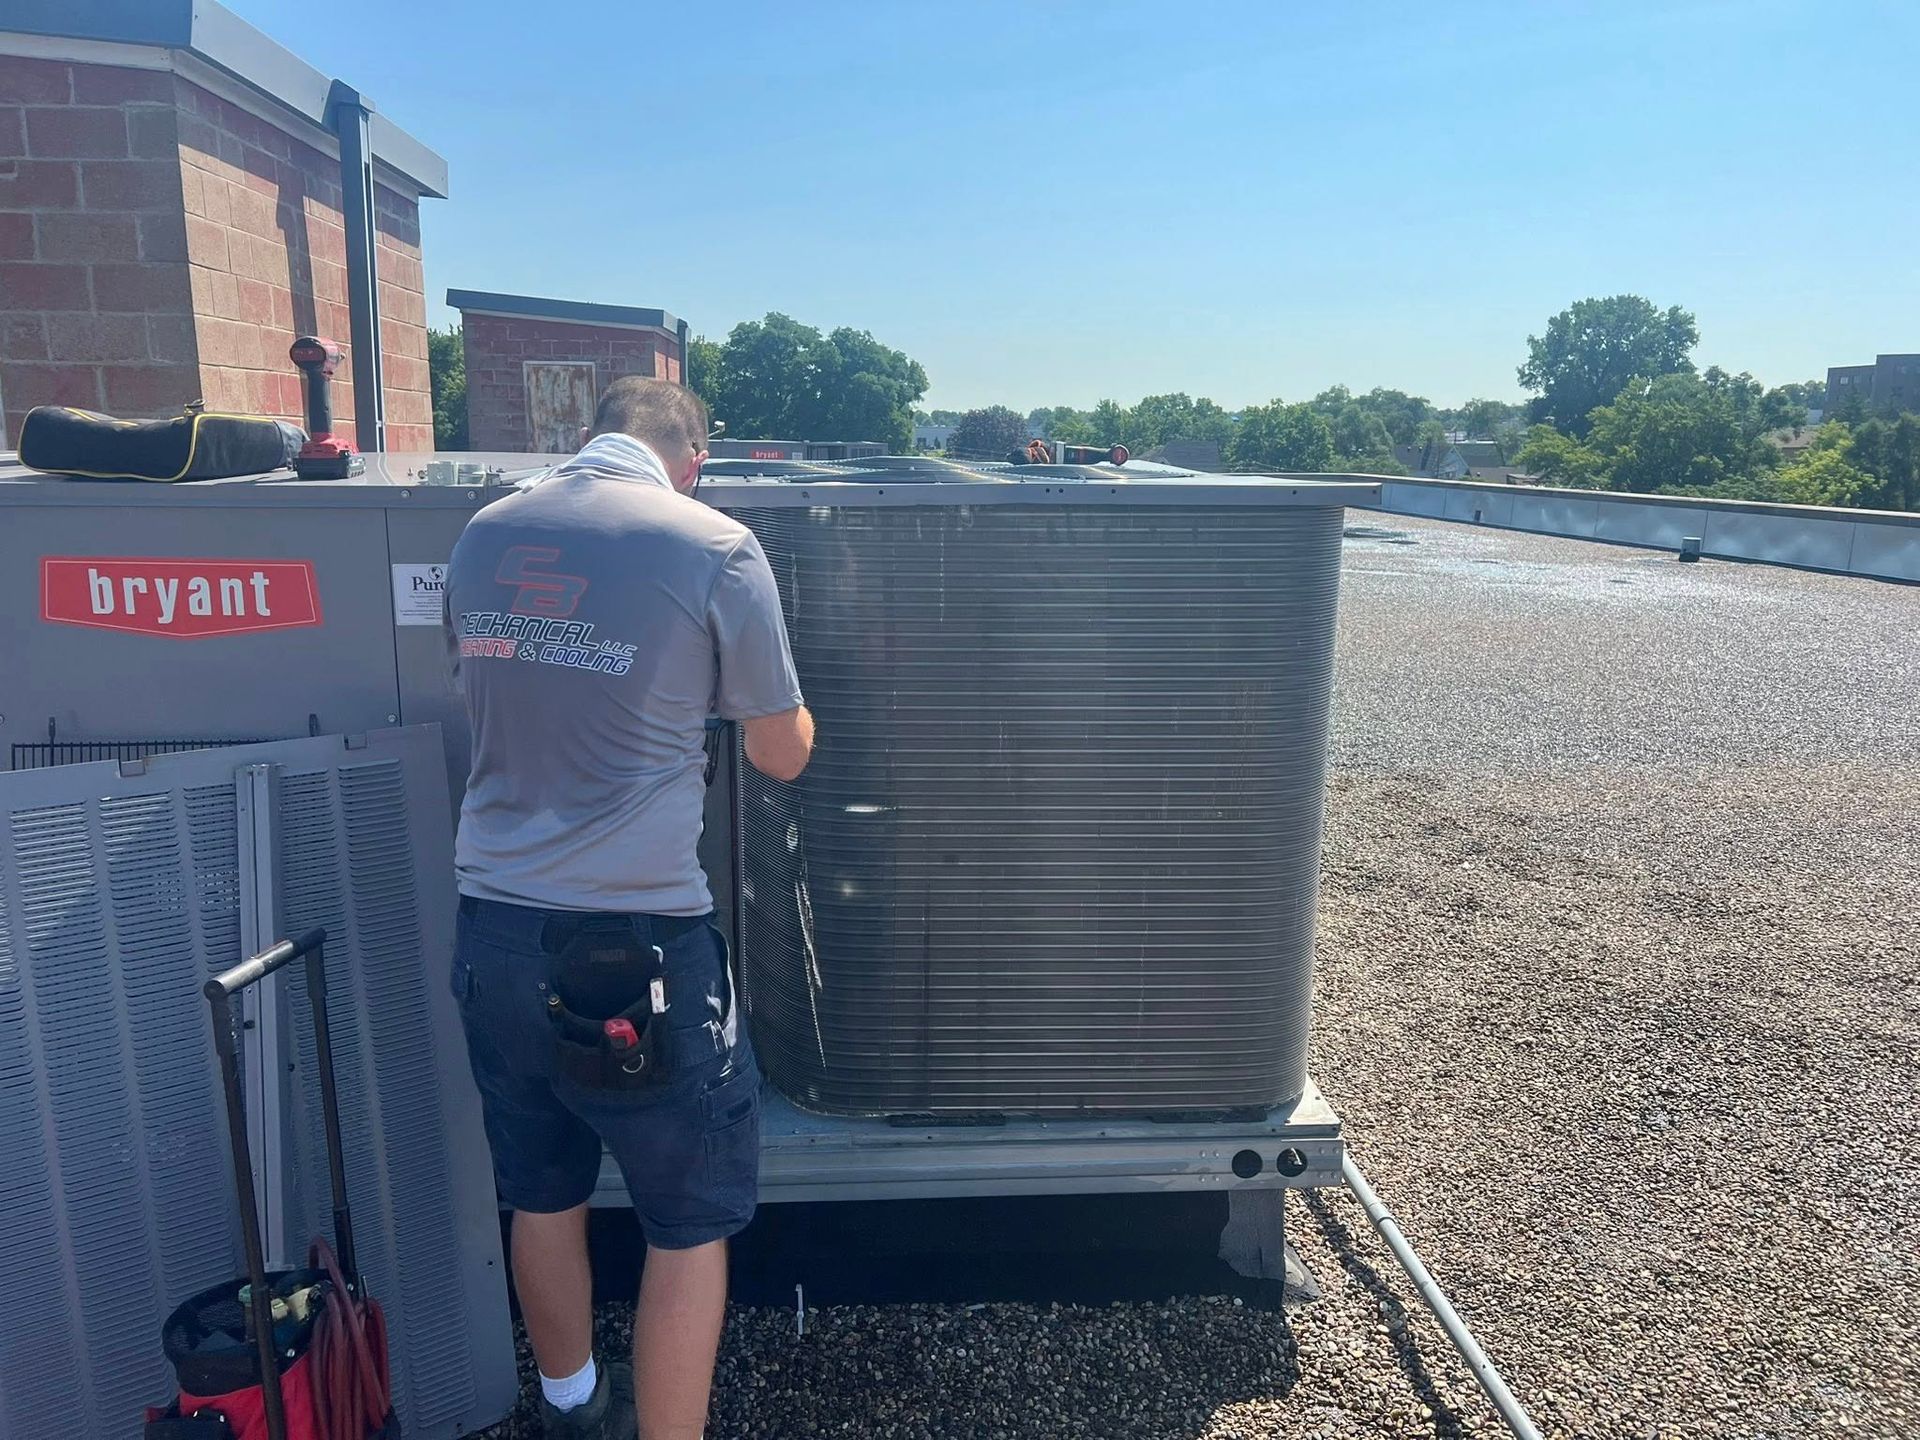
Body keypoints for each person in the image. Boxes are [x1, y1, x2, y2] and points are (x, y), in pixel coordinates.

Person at [443, 376, 813, 1440]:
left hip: (494, 934)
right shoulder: (715, 547)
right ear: (692, 459)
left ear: (590, 435)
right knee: (686, 1223)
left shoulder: (482, 535)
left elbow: (480, 687)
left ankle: (572, 1406)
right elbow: (777, 750)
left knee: (542, 1189)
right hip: (638, 950)